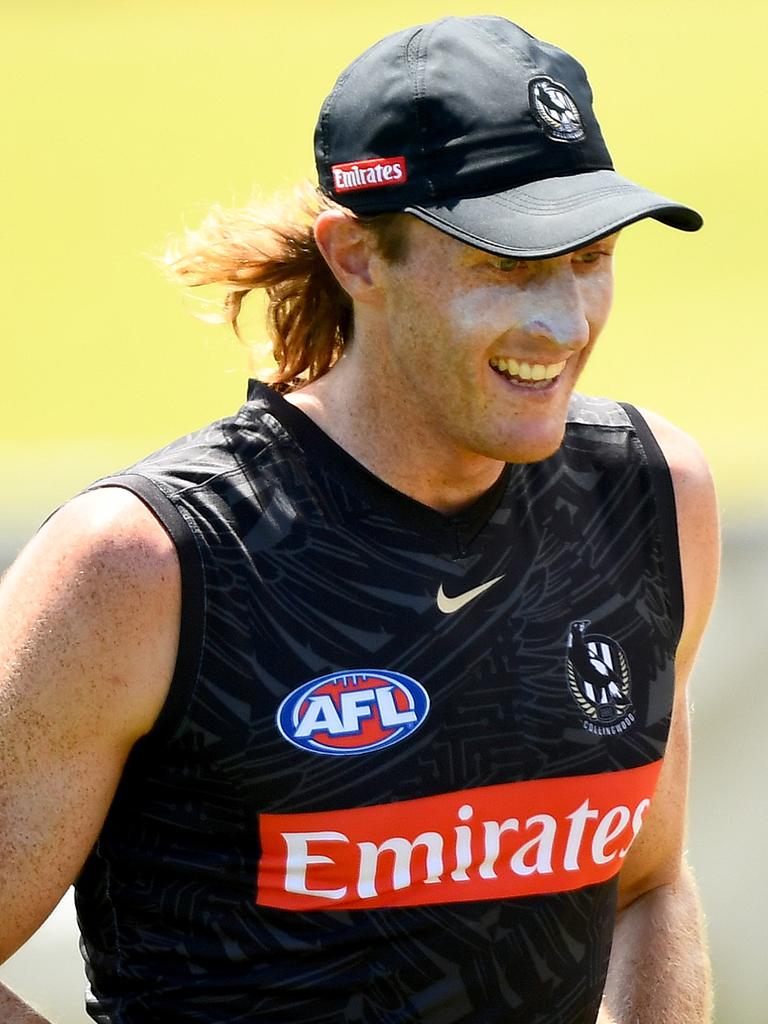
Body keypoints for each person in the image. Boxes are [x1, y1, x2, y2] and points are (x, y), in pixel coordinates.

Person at [0, 15, 718, 1024]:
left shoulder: (652, 501)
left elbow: (649, 883)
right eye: (507, 268)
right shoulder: (141, 567)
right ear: (356, 256)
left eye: (592, 257)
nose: (564, 323)